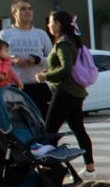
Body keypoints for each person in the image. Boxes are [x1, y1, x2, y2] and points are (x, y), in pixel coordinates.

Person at [38, 11, 95, 172]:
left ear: (58, 24)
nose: (48, 25)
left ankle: (49, 166)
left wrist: (45, 76)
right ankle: (89, 165)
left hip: (65, 91)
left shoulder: (63, 43)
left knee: (49, 130)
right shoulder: (71, 41)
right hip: (75, 92)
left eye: (50, 22)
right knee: (78, 128)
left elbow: (66, 68)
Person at [0, 0, 54, 113]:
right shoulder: (5, 34)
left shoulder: (41, 34)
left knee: (43, 124)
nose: (27, 11)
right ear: (14, 13)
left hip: (38, 85)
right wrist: (13, 60)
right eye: (23, 9)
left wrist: (37, 60)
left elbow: (53, 60)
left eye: (30, 8)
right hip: (15, 87)